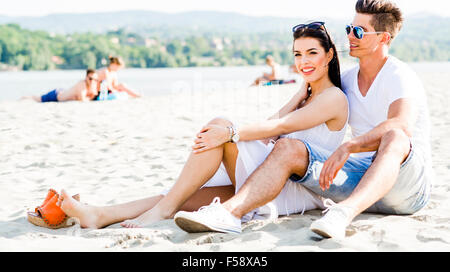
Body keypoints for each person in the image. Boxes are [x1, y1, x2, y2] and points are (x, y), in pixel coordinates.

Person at [173, 0, 433, 240]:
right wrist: (301, 92)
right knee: (288, 147)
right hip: (361, 180)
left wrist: (350, 146)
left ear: (384, 38)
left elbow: (401, 124)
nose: (350, 36)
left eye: (359, 31)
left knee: (396, 138)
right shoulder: (347, 82)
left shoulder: (399, 75)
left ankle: (342, 214)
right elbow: (303, 102)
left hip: (406, 188)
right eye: (349, 28)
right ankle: (229, 213)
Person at [54, 22, 349, 230]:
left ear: (329, 55)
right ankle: (99, 215)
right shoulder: (307, 94)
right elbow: (275, 123)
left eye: (312, 53)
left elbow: (279, 127)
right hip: (271, 176)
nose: (303, 61)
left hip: (294, 189)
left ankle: (162, 211)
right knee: (181, 197)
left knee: (220, 126)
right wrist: (299, 92)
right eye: (298, 54)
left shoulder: (333, 98)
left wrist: (231, 134)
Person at [23, 69, 99, 102]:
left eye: (95, 79)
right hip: (56, 95)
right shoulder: (82, 84)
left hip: (61, 92)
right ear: (86, 77)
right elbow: (82, 100)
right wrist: (91, 98)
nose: (92, 81)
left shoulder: (89, 86)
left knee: (38, 99)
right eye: (90, 79)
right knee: (37, 99)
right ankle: (24, 97)